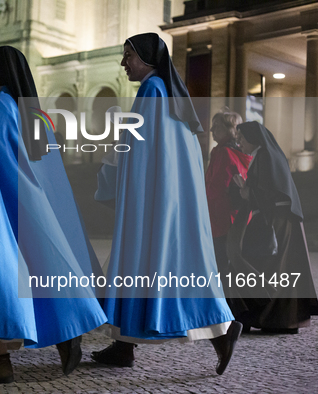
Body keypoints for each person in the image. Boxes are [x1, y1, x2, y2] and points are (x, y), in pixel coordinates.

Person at [0, 45, 107, 383]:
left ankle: (1, 362)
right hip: (27, 207)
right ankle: (13, 351)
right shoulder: (33, 112)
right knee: (14, 280)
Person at [92, 32, 241, 375]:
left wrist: (115, 174)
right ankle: (123, 345)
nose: (123, 62)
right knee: (144, 267)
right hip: (167, 197)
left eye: (128, 55)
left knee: (151, 267)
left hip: (152, 198)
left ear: (147, 58)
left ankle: (223, 331)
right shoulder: (169, 92)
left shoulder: (152, 90)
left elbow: (138, 150)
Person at [226, 121, 318, 333]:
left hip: (279, 221)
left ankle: (277, 319)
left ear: (253, 138)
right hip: (276, 220)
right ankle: (275, 319)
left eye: (242, 139)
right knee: (277, 269)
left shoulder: (265, 156)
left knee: (275, 269)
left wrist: (247, 192)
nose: (239, 143)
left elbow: (272, 192)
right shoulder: (263, 155)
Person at [205, 108, 251, 275]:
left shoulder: (223, 152)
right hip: (234, 216)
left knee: (220, 263)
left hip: (219, 218)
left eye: (216, 126)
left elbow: (215, 188)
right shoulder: (240, 152)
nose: (211, 130)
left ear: (230, 130)